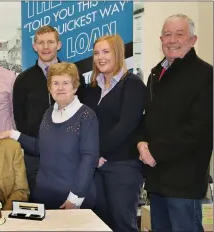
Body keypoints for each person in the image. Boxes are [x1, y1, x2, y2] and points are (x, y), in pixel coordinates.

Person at [137, 14, 213, 232]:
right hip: (157, 180)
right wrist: (141, 143)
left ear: (193, 39)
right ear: (160, 39)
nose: (172, 40)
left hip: (184, 183)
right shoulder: (155, 73)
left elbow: (199, 128)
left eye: (180, 34)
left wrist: (155, 152)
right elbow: (148, 118)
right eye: (167, 34)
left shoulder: (206, 75)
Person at [0, 63, 99, 209]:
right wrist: (13, 134)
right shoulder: (48, 113)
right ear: (49, 88)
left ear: (75, 87)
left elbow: (89, 159)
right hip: (43, 196)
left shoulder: (87, 116)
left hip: (72, 199)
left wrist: (75, 199)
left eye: (66, 83)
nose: (60, 88)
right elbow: (41, 147)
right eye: (55, 83)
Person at [13, 25, 87, 200]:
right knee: (37, 211)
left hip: (69, 155)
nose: (45, 47)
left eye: (50, 42)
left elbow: (82, 112)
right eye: (41, 42)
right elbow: (19, 119)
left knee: (68, 213)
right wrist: (35, 143)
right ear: (34, 46)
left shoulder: (75, 75)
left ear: (59, 45)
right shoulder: (23, 80)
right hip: (34, 158)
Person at [82, 34, 146, 232]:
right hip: (96, 169)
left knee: (122, 224)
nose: (100, 57)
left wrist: (96, 152)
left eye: (106, 51)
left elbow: (125, 126)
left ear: (118, 53)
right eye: (96, 53)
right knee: (99, 224)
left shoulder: (132, 84)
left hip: (123, 167)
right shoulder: (92, 88)